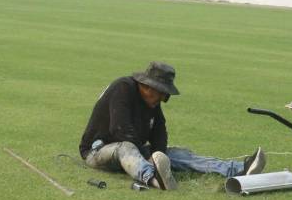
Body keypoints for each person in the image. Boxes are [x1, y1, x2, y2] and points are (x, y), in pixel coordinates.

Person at [79, 61, 265, 190]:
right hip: (98, 151)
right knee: (126, 147)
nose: (162, 98)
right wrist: (149, 157)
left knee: (178, 154)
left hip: (134, 151)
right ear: (146, 86)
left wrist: (159, 154)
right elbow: (120, 130)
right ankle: (153, 178)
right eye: (161, 93)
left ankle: (236, 169)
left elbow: (160, 131)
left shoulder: (152, 101)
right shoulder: (123, 88)